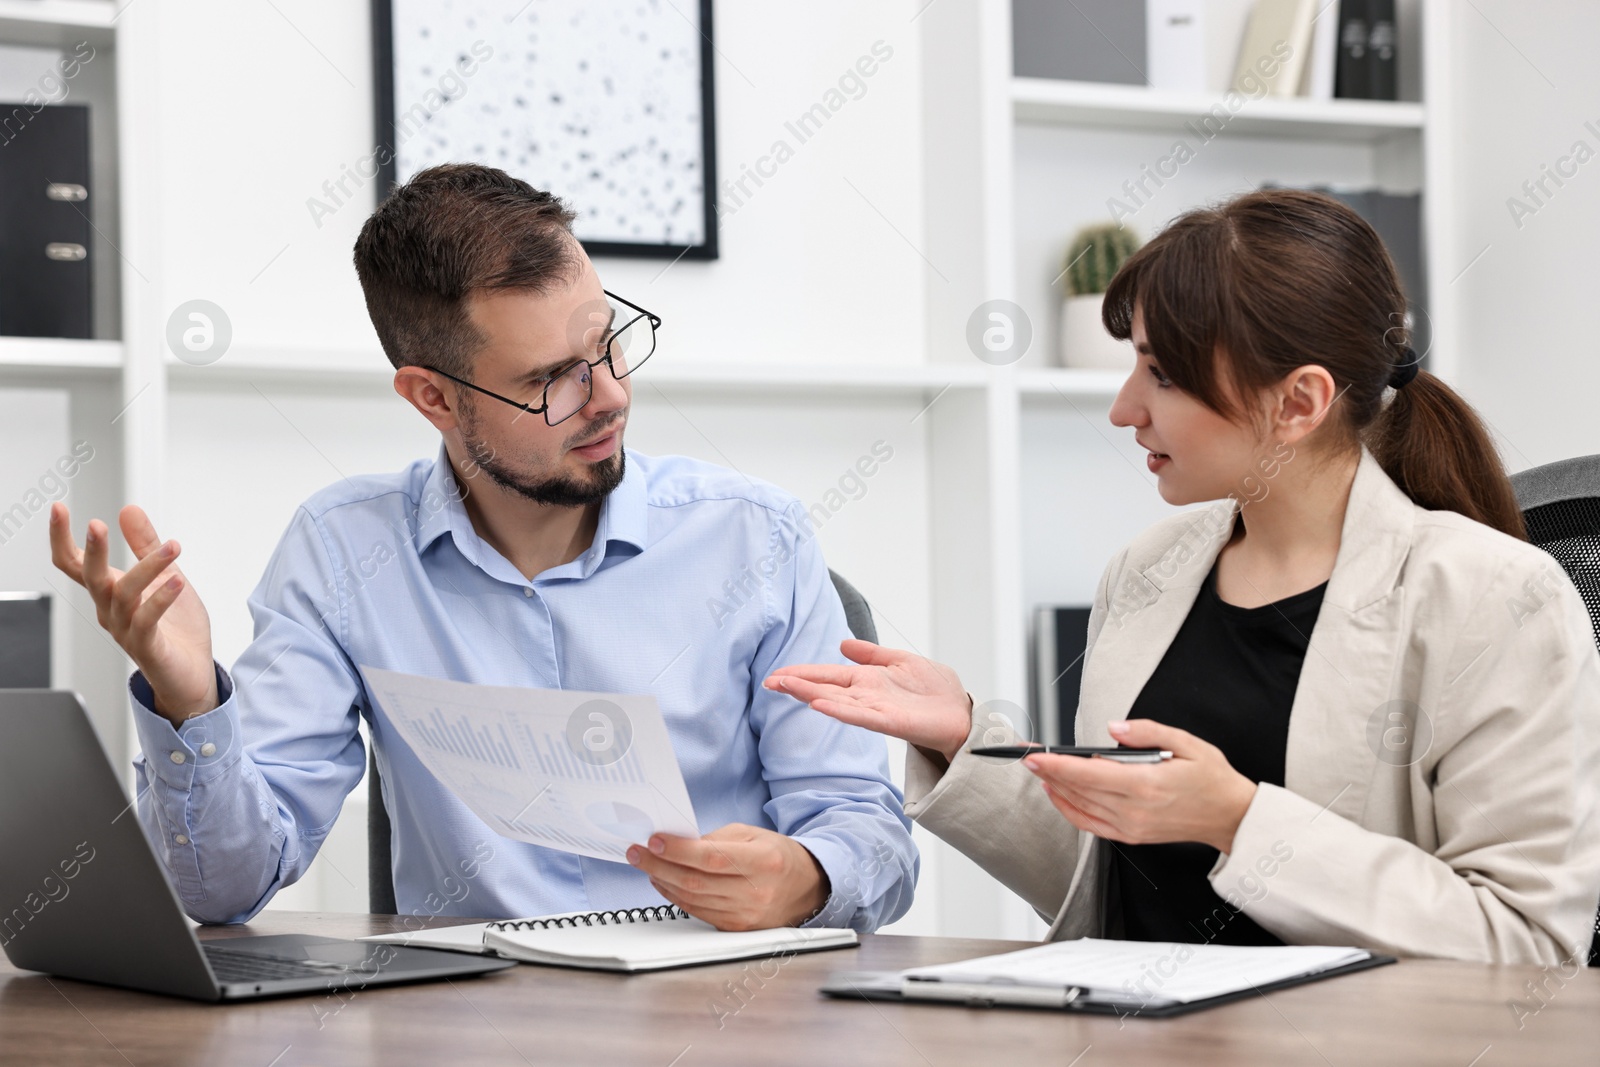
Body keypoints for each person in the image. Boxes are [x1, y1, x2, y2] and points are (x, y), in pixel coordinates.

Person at [49, 163, 915, 932]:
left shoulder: (754, 537)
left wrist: (806, 877)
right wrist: (192, 698)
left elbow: (869, 832)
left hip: (719, 1014)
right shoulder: (344, 552)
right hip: (467, 1024)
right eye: (548, 381)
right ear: (431, 398)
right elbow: (222, 891)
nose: (608, 395)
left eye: (608, 343)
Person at [765, 189, 1600, 966]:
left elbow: (1526, 946)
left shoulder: (1496, 597)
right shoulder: (1148, 570)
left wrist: (1238, 821)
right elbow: (1115, 888)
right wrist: (963, 737)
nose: (1124, 408)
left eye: (1162, 374)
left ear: (1299, 403)